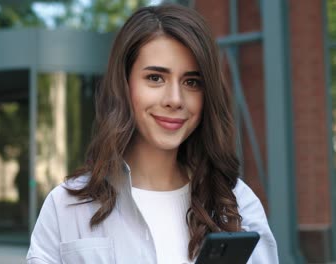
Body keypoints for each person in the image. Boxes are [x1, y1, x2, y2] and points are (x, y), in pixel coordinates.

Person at [26, 4, 278, 264]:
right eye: (156, 78)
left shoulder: (238, 204)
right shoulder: (66, 206)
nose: (175, 100)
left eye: (191, 82)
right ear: (124, 85)